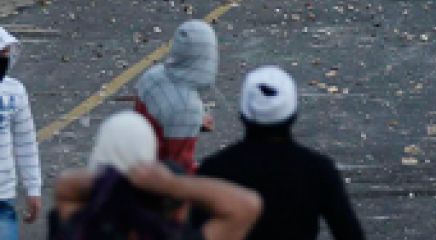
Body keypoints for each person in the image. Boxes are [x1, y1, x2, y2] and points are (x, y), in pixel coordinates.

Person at [198, 67, 364, 240]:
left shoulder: (214, 169)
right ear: (293, 114)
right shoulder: (318, 170)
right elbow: (349, 232)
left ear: (243, 114)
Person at [51, 111, 261, 240]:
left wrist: (114, 179)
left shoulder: (79, 228)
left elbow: (65, 187)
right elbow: (247, 205)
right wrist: (170, 184)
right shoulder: (172, 234)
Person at [135, 20, 218, 173]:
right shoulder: (187, 107)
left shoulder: (153, 75)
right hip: (156, 179)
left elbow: (156, 114)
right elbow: (180, 168)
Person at [0, 28, 43, 235]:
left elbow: (25, 141)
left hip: (3, 195)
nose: (3, 59)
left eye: (5, 54)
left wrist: (33, 188)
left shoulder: (14, 92)